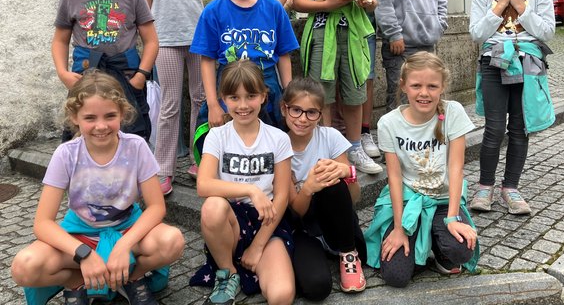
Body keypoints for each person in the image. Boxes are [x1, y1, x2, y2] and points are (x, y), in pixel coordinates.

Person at [11, 70, 185, 305]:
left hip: (127, 230)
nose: (101, 126)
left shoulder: (136, 147)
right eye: (90, 118)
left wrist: (124, 246)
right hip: (80, 234)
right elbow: (42, 223)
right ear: (75, 117)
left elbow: (156, 207)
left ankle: (131, 278)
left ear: (122, 113)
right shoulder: (66, 154)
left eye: (110, 116)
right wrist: (82, 254)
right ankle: (79, 282)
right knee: (24, 267)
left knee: (172, 240)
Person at [363, 52, 479, 287]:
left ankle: (440, 247)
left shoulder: (453, 112)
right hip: (409, 200)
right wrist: (398, 228)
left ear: (442, 86)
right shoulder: (389, 123)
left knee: (461, 251)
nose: (424, 93)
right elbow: (394, 178)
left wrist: (453, 218)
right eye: (416, 85)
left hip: (444, 200)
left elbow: (456, 169)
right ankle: (419, 243)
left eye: (432, 86)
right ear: (404, 86)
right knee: (396, 276)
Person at [189, 60, 295, 305]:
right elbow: (203, 185)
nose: (243, 105)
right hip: (231, 222)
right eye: (234, 98)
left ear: (263, 97)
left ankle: (256, 258)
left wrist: (258, 246)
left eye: (251, 96)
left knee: (281, 295)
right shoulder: (217, 135)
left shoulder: (278, 138)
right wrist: (250, 190)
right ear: (224, 99)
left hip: (268, 219)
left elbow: (281, 197)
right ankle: (228, 272)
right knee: (212, 206)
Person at [292, 0, 383, 175]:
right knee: (324, 93)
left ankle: (354, 146)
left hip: (353, 31)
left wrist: (370, 2)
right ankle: (327, 147)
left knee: (355, 91)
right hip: (321, 31)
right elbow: (298, 1)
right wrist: (326, 5)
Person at [469, 0, 555, 215]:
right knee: (494, 128)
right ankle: (485, 187)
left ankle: (511, 188)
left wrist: (521, 6)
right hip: (494, 62)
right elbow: (477, 34)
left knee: (520, 128)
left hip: (528, 63)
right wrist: (500, 6)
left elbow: (547, 32)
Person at [52, 0, 159, 142]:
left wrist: (141, 76)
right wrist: (63, 74)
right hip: (85, 79)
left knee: (132, 135)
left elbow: (151, 41)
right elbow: (60, 41)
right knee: (82, 135)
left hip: (127, 79)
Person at [138, 0, 211, 194]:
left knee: (200, 99)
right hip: (165, 37)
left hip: (198, 38)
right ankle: (164, 169)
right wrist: (153, 25)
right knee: (170, 104)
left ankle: (200, 161)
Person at [190, 0, 299, 134]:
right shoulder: (213, 11)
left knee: (271, 137)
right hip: (228, 83)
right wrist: (213, 103)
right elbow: (206, 59)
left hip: (268, 83)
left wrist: (288, 94)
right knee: (228, 140)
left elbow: (284, 54)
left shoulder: (274, 8)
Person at [283, 78, 367, 299]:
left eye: (311, 112)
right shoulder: (278, 145)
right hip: (302, 228)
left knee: (332, 180)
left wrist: (348, 174)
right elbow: (295, 213)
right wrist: (308, 187)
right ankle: (313, 256)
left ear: (320, 114)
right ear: (285, 109)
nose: (303, 118)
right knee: (316, 288)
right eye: (296, 111)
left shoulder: (330, 136)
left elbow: (353, 198)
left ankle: (349, 255)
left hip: (338, 224)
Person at [344, 0, 387, 159]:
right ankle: (346, 137)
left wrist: (371, 2)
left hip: (365, 26)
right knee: (344, 83)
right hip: (340, 25)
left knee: (367, 80)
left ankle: (364, 131)